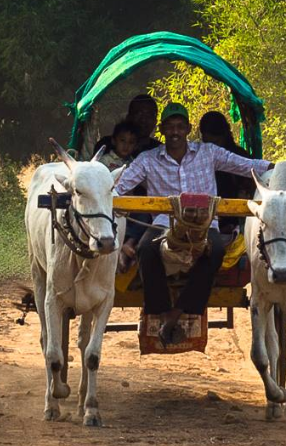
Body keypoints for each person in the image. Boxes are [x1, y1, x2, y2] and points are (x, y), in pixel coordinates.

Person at [115, 102, 273, 345]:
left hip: (205, 225)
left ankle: (175, 314)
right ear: (162, 130)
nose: (175, 132)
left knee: (216, 252)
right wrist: (93, 191)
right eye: (170, 127)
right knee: (147, 250)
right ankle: (161, 310)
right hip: (162, 225)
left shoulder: (208, 152)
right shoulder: (147, 160)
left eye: (180, 126)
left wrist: (276, 167)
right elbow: (120, 187)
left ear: (189, 129)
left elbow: (243, 165)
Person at [198, 111, 257, 235]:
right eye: (208, 144)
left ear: (225, 135)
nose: (213, 150)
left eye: (216, 142)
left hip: (237, 219)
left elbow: (250, 192)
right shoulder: (198, 159)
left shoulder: (240, 157)